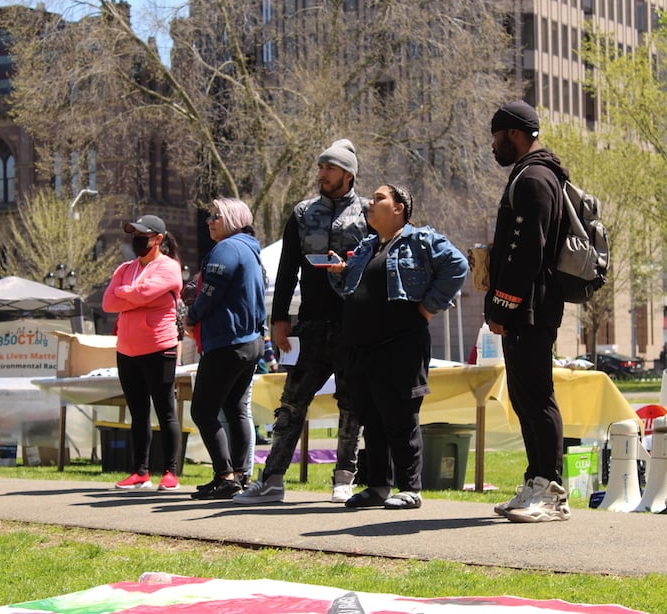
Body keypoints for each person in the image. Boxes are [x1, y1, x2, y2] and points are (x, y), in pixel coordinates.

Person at [234, 139, 371, 505]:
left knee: (351, 404)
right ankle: (272, 480)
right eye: (320, 167)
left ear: (347, 173)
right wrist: (279, 319)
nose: (321, 174)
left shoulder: (370, 212)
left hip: (353, 324)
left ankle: (344, 478)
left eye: (329, 168)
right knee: (291, 402)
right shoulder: (302, 212)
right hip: (309, 324)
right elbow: (288, 268)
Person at [331, 184, 467, 509]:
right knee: (372, 418)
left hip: (401, 345)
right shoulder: (367, 246)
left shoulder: (420, 240)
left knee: (401, 417)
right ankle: (378, 486)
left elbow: (458, 265)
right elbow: (353, 289)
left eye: (379, 198)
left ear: (399, 208)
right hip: (364, 349)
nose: (370, 202)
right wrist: (340, 272)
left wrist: (428, 307)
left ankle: (411, 489)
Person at [484, 101, 570, 522]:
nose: (493, 145)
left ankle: (551, 492)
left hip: (531, 309)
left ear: (514, 133)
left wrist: (502, 304)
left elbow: (526, 253)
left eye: (496, 136)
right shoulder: (533, 174)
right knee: (525, 397)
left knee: (537, 397)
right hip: (528, 307)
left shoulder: (534, 178)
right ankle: (536, 481)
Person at [185, 198, 266, 500]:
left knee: (203, 410)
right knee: (234, 408)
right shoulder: (249, 249)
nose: (209, 221)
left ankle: (225, 476)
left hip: (227, 343)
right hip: (250, 342)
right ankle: (241, 474)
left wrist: (190, 317)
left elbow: (209, 295)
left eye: (216, 216)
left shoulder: (226, 249)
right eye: (209, 216)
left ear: (233, 219)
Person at [102, 215, 183, 491]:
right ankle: (140, 472)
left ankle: (171, 472)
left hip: (160, 348)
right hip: (126, 350)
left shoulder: (169, 268)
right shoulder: (125, 268)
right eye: (133, 235)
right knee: (138, 412)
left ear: (158, 239)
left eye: (142, 235)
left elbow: (141, 293)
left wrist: (130, 296)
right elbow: (108, 302)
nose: (136, 240)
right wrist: (134, 295)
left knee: (165, 411)